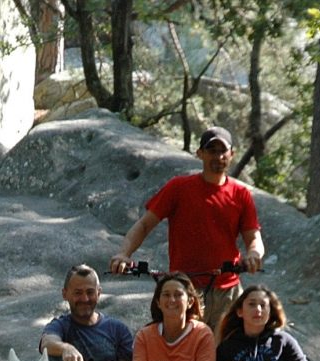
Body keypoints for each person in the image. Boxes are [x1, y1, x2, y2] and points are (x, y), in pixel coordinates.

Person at [108, 125, 264, 329]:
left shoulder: (240, 195)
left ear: (232, 155)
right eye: (211, 150)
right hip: (185, 288)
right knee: (184, 350)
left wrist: (254, 254)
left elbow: (253, 237)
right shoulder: (179, 188)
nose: (218, 157)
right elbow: (145, 224)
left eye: (223, 151)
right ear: (200, 154)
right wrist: (123, 254)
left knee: (228, 352)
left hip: (228, 289)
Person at [38, 264, 134, 361]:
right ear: (65, 294)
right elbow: (47, 343)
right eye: (78, 293)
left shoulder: (117, 329)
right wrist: (67, 349)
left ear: (98, 293)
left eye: (90, 292)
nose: (85, 299)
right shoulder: (60, 325)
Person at [130, 272, 216, 361]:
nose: (172, 300)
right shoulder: (144, 336)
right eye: (166, 295)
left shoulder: (202, 333)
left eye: (178, 294)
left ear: (190, 302)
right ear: (158, 302)